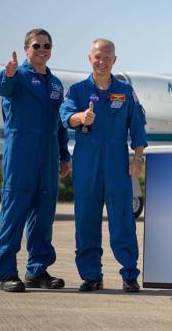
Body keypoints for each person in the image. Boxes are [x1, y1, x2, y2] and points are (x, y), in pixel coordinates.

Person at [60, 38, 147, 293]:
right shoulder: (77, 91)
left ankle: (129, 274)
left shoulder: (125, 91)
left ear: (114, 60)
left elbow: (138, 126)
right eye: (98, 56)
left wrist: (138, 157)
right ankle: (91, 276)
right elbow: (65, 117)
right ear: (90, 59)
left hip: (117, 165)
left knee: (122, 220)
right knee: (86, 220)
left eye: (107, 57)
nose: (102, 61)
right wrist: (80, 117)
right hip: (87, 166)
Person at [0, 29, 70, 293]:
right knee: (14, 211)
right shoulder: (17, 76)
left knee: (43, 213)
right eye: (37, 45)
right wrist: (8, 73)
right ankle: (5, 272)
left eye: (47, 45)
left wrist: (63, 154)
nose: (42, 50)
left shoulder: (56, 84)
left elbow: (59, 123)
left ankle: (37, 270)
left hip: (48, 155)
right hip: (21, 154)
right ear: (26, 49)